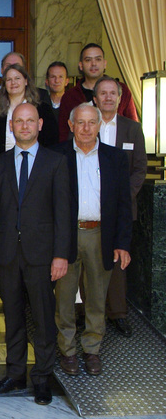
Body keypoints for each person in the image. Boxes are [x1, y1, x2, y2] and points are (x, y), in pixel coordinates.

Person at [0, 103, 70, 406]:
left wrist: (61, 255)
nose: (24, 126)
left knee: (44, 319)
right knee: (13, 317)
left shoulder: (56, 162)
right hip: (6, 255)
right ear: (11, 126)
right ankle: (16, 374)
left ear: (40, 124)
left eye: (30, 121)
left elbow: (63, 214)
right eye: (19, 121)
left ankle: (42, 378)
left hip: (42, 256)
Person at [54, 103, 132, 376]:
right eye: (81, 123)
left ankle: (92, 349)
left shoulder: (115, 158)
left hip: (101, 235)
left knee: (97, 297)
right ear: (71, 125)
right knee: (64, 297)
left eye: (91, 123)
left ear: (99, 125)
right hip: (67, 235)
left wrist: (122, 243)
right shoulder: (57, 155)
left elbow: (124, 204)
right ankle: (68, 351)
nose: (86, 128)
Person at [94, 76, 146, 337]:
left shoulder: (132, 129)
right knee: (89, 258)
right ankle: (87, 312)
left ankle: (118, 313)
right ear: (95, 98)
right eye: (103, 93)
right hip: (90, 205)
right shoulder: (86, 124)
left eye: (112, 93)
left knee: (118, 260)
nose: (108, 97)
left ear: (119, 97)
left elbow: (139, 169)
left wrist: (122, 199)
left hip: (121, 209)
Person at [58, 43, 138, 141]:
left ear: (105, 63)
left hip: (118, 151)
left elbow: (132, 126)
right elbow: (63, 133)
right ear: (81, 65)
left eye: (98, 59)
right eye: (88, 60)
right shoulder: (70, 96)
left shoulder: (122, 90)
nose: (94, 64)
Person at [0, 64, 58, 153]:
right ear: (5, 84)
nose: (13, 82)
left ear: (26, 81)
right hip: (2, 163)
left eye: (17, 78)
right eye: (9, 79)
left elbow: (52, 140)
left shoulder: (43, 109)